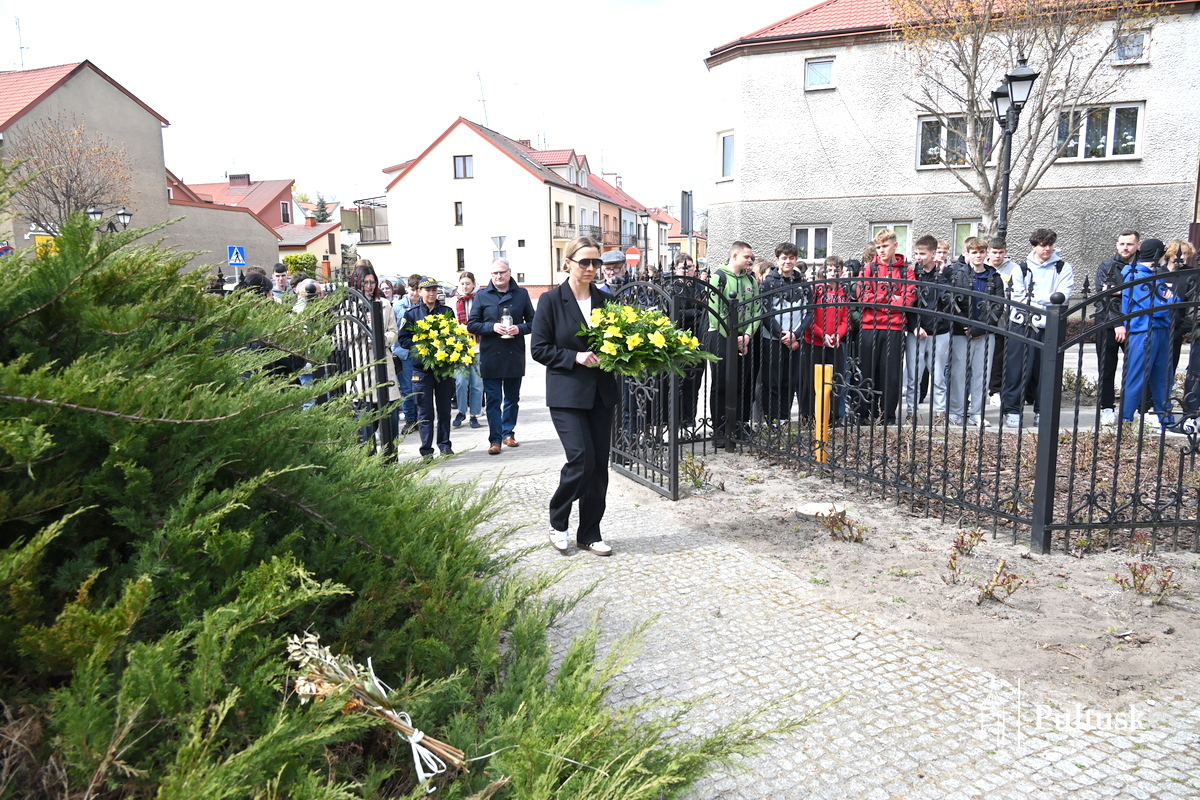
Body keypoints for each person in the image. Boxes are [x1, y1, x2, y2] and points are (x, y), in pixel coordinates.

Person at [531, 236, 619, 556]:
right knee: (582, 459)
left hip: (601, 393)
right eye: (584, 262)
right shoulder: (551, 300)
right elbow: (539, 348)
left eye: (596, 262)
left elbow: (618, 341)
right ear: (567, 263)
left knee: (598, 467)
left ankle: (590, 533)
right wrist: (575, 357)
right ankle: (558, 522)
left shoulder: (607, 301)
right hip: (567, 393)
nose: (591, 268)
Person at [1001, 229, 1075, 428]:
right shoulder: (1021, 269)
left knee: (1046, 371)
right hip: (1022, 323)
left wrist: (1035, 299)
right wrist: (1047, 299)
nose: (1047, 249)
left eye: (1050, 245)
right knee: (1017, 369)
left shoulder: (1063, 268)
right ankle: (1012, 410)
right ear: (1034, 246)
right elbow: (1018, 298)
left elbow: (1062, 297)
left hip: (1049, 325)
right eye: (1043, 245)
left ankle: (1043, 410)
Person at [467, 257, 535, 454]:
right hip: (491, 354)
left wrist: (519, 328)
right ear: (491, 275)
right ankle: (495, 440)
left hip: (514, 353)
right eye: (495, 273)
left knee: (512, 398)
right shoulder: (482, 295)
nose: (499, 276)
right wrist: (492, 327)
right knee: (494, 399)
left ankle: (508, 433)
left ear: (509, 272)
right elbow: (472, 324)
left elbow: (534, 322)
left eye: (502, 272)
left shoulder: (521, 294)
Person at [856, 229, 916, 424]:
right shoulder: (868, 269)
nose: (881, 250)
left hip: (894, 329)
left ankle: (887, 416)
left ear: (895, 246)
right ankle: (864, 414)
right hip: (869, 327)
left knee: (890, 375)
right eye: (878, 247)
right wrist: (890, 299)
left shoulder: (906, 271)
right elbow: (862, 296)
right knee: (866, 372)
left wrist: (878, 300)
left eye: (885, 246)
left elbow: (908, 300)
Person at [705, 241, 761, 447]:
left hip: (744, 338)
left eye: (752, 257)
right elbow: (715, 313)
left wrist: (747, 335)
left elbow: (756, 310)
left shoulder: (751, 280)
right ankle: (720, 430)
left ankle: (740, 425)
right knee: (721, 383)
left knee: (744, 383)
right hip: (721, 337)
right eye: (747, 257)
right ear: (735, 255)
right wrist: (732, 338)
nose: (751, 260)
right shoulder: (718, 277)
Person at [1120, 238, 1178, 428]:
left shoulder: (1153, 274)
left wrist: (1167, 301)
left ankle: (1166, 419)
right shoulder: (1135, 275)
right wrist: (1169, 301)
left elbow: (1167, 303)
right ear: (1157, 254)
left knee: (1164, 378)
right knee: (1137, 377)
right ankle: (1125, 420)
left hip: (1159, 330)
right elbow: (1156, 308)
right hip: (1143, 331)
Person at [948, 237, 1004, 427]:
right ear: (967, 253)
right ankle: (956, 411)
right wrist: (965, 325)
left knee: (982, 374)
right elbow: (952, 302)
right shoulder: (957, 275)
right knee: (958, 373)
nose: (978, 255)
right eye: (974, 252)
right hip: (961, 333)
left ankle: (977, 413)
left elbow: (998, 306)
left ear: (986, 253)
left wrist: (980, 327)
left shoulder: (994, 277)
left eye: (981, 252)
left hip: (986, 333)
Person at [397, 276, 456, 458]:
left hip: (443, 368)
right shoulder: (411, 314)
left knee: (444, 409)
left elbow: (455, 336)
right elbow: (403, 339)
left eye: (433, 290)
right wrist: (421, 344)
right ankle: (426, 450)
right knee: (424, 411)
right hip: (421, 369)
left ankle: (444, 445)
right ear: (420, 292)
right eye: (427, 290)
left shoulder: (446, 312)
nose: (431, 293)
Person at [346, 260, 401, 443]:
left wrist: (382, 338)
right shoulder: (348, 305)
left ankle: (389, 457)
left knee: (391, 426)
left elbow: (394, 332)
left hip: (384, 365)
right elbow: (341, 336)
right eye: (365, 282)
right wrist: (362, 329)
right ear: (357, 282)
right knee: (365, 430)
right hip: (361, 367)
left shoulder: (384, 303)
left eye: (372, 282)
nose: (369, 286)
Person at [760, 242, 811, 425]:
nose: (787, 261)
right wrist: (783, 336)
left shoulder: (803, 284)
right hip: (772, 340)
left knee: (789, 381)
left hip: (795, 341)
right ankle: (772, 419)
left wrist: (796, 335)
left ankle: (784, 417)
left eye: (791, 258)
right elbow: (765, 313)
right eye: (784, 258)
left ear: (796, 259)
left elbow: (809, 312)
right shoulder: (768, 283)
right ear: (777, 260)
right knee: (772, 381)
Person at [1092, 230, 1139, 425]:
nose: (1125, 248)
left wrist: (1120, 292)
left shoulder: (1142, 267)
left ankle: (1133, 409)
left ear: (1138, 245)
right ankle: (1107, 408)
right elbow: (1103, 298)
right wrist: (1118, 323)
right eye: (1122, 244)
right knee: (1107, 369)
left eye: (1129, 244)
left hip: (1135, 324)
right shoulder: (1107, 266)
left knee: (1135, 368)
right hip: (1107, 323)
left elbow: (1143, 294)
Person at [904, 234, 952, 421]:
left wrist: (942, 274)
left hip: (939, 332)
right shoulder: (912, 274)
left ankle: (940, 412)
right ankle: (912, 411)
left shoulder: (944, 274)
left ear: (933, 254)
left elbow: (949, 301)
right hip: (916, 332)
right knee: (914, 376)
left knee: (938, 375)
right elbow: (908, 304)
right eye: (916, 254)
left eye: (922, 254)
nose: (918, 257)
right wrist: (914, 327)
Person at [799, 257, 849, 421]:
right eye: (830, 270)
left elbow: (845, 319)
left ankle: (831, 418)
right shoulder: (816, 290)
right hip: (814, 342)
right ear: (824, 271)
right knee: (812, 382)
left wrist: (838, 334)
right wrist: (822, 334)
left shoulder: (843, 293)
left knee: (834, 381)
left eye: (836, 270)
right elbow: (808, 317)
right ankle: (809, 418)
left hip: (835, 343)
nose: (833, 273)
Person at [452, 271, 483, 429]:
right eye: (462, 283)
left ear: (473, 284)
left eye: (468, 284)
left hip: (477, 347)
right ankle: (461, 411)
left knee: (477, 383)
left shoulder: (480, 298)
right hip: (460, 348)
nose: (465, 286)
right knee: (461, 382)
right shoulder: (454, 301)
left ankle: (474, 414)